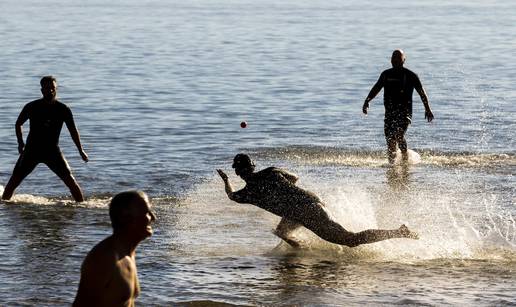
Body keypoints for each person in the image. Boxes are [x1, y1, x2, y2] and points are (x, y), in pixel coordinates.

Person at [217, 154, 418, 248]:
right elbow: (294, 178)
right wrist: (287, 198)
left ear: (237, 172)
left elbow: (230, 195)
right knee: (281, 231)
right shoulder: (271, 172)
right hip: (306, 205)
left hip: (307, 211)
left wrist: (226, 181)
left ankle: (398, 231)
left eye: (237, 170)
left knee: (349, 240)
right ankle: (300, 254)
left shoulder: (248, 193)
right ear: (253, 166)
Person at [1, 76, 89, 202]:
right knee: (13, 182)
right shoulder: (32, 106)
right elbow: (18, 123)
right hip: (32, 151)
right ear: (42, 90)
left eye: (53, 88)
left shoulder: (63, 109)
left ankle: (82, 206)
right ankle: (3, 207)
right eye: (47, 88)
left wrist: (81, 150)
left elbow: (73, 131)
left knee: (70, 180)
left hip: (52, 151)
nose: (51, 91)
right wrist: (20, 143)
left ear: (56, 88)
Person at [73, 191, 156, 307]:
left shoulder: (127, 253)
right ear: (126, 218)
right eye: (146, 212)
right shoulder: (105, 258)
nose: (153, 217)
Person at [362, 49, 434, 163]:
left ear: (403, 60)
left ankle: (405, 158)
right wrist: (367, 101)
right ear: (390, 60)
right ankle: (392, 167)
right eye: (393, 58)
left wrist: (427, 109)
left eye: (398, 58)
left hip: (405, 113)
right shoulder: (386, 74)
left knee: (398, 134)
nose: (395, 60)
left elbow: (422, 92)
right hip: (390, 113)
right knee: (390, 141)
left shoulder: (411, 75)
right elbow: (376, 88)